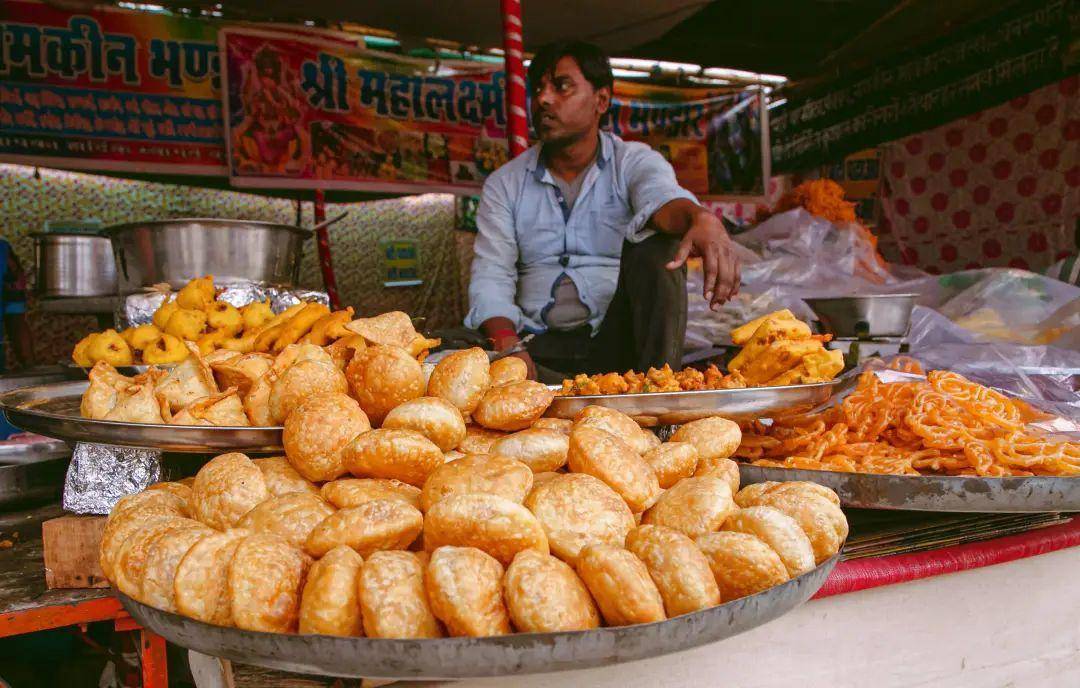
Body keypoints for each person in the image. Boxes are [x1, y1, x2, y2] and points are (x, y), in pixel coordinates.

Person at [465, 41, 740, 381]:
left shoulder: (633, 161)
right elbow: (492, 275)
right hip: (535, 349)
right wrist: (507, 345)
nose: (544, 100)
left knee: (660, 247)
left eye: (562, 87)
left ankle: (659, 392)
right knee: (450, 349)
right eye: (538, 90)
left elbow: (662, 200)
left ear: (602, 100)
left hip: (617, 346)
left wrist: (701, 218)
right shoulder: (504, 184)